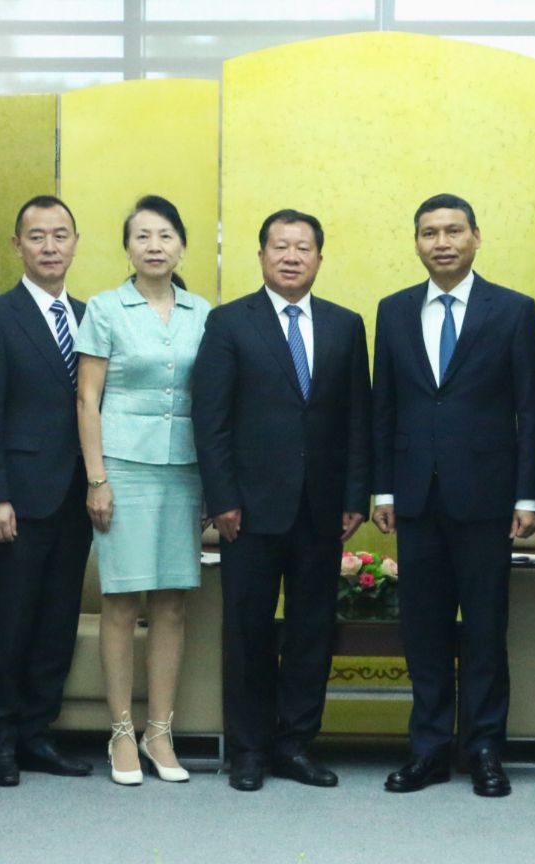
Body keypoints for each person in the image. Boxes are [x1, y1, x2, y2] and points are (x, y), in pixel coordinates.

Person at [371, 194, 535, 799]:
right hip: (416, 496)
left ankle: (486, 748)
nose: (441, 242)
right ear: (416, 242)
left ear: (476, 237)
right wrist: (384, 487)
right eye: (429, 233)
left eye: (453, 231)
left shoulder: (514, 311)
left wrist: (529, 497)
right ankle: (429, 750)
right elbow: (384, 406)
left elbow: (531, 409)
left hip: (489, 499)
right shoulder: (392, 311)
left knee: (486, 628)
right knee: (423, 629)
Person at [194, 209, 372, 793]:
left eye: (303, 247)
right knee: (247, 629)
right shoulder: (228, 323)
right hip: (247, 509)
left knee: (311, 629)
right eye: (280, 246)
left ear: (320, 257)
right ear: (262, 255)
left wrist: (354, 496)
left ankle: (296, 744)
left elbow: (355, 421)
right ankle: (248, 749)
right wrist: (221, 497)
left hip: (322, 510)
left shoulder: (346, 326)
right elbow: (211, 419)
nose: (291, 256)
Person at [74, 195, 210, 787]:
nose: (155, 246)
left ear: (182, 245)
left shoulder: (204, 312)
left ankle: (161, 731)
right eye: (142, 236)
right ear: (127, 247)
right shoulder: (106, 308)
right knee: (123, 602)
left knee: (174, 602)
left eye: (165, 236)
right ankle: (122, 732)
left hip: (185, 467)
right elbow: (87, 398)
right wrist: (96, 477)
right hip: (123, 468)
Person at [0, 195, 95, 787]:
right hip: (17, 498)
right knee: (12, 621)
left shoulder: (93, 316)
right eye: (36, 236)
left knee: (57, 621)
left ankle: (38, 733)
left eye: (60, 235)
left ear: (74, 243)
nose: (49, 246)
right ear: (18, 245)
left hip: (75, 496)